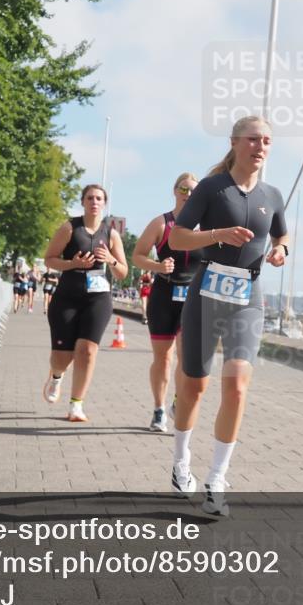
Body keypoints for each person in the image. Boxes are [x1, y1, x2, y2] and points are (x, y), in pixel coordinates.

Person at [168, 116, 288, 515]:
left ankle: (217, 478)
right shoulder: (211, 188)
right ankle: (181, 461)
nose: (261, 146)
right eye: (254, 139)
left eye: (267, 141)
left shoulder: (272, 194)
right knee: (194, 388)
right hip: (206, 292)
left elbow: (281, 235)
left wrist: (280, 251)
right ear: (236, 142)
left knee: (237, 385)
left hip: (248, 296)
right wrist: (217, 235)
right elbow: (177, 237)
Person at [41, 184, 128, 421]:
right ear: (83, 201)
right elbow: (49, 259)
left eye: (99, 198)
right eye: (90, 197)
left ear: (104, 203)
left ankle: (76, 405)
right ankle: (56, 376)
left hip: (98, 297)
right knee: (63, 357)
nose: (94, 202)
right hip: (67, 296)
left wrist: (110, 259)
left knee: (87, 351)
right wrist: (73, 264)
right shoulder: (69, 228)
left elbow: (123, 272)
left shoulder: (111, 234)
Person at [131, 172, 201, 433]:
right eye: (184, 190)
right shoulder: (162, 223)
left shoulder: (204, 228)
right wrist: (157, 265)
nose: (188, 195)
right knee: (163, 359)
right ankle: (159, 410)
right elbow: (137, 256)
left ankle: (176, 402)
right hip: (163, 295)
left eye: (194, 191)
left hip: (191, 299)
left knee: (186, 358)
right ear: (175, 191)